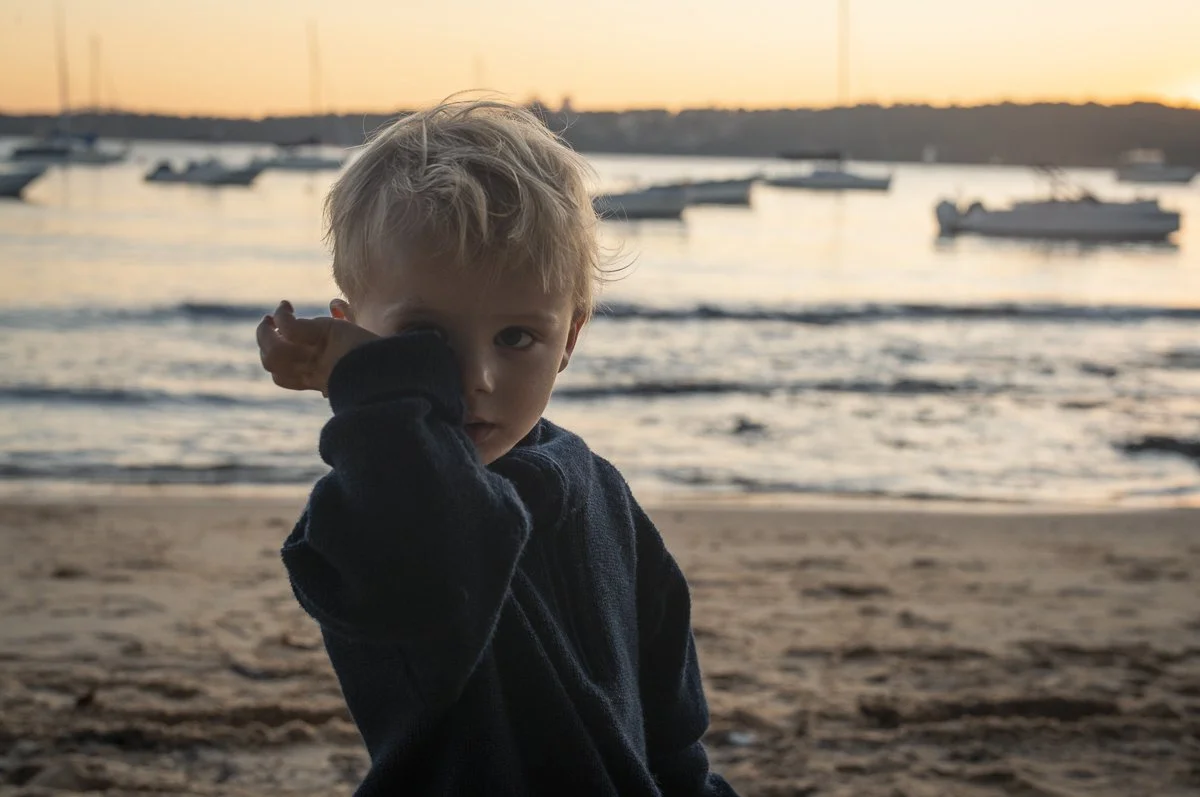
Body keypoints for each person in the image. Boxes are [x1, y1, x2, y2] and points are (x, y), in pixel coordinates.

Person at [256, 99, 737, 796]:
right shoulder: (365, 515)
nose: (477, 379)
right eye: (426, 340)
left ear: (568, 338)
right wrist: (374, 389)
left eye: (517, 338)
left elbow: (672, 730)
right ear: (353, 332)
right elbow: (431, 574)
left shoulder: (598, 490)